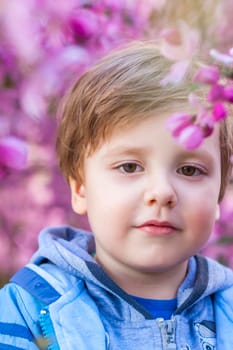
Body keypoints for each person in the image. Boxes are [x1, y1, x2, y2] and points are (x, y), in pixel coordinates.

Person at [1, 41, 233, 350]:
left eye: (190, 170)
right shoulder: (26, 310)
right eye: (129, 166)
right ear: (80, 188)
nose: (162, 193)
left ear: (219, 194)